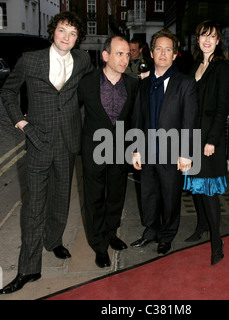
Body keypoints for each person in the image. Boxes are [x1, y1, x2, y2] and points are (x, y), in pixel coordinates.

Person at [0, 11, 94, 294]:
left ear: (78, 39)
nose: (67, 37)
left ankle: (53, 241)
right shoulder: (31, 59)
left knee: (61, 199)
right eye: (63, 30)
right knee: (34, 208)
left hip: (68, 141)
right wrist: (22, 123)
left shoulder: (83, 60)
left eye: (73, 33)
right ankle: (28, 269)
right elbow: (8, 92)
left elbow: (93, 88)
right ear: (54, 31)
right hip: (38, 141)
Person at [130, 29, 198, 255]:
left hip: (173, 152)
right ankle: (151, 231)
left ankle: (167, 236)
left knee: (170, 197)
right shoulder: (145, 83)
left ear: (175, 54)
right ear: (150, 52)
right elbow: (138, 118)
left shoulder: (186, 83)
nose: (162, 53)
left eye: (168, 49)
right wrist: (136, 150)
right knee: (148, 195)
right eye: (158, 48)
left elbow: (190, 120)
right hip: (148, 150)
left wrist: (186, 153)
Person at [77, 36, 138, 268]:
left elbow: (134, 120)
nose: (125, 59)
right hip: (94, 150)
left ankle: (111, 233)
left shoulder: (132, 85)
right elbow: (72, 111)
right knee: (94, 199)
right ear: (105, 56)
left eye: (127, 54)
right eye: (119, 54)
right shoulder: (87, 83)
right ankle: (99, 245)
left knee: (116, 195)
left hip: (120, 151)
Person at [183, 21, 229, 265]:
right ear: (198, 38)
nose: (207, 40)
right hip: (192, 137)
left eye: (212, 36)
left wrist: (212, 140)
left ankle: (217, 241)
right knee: (195, 185)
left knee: (209, 190)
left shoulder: (222, 68)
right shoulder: (195, 65)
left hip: (209, 139)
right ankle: (202, 225)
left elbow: (223, 108)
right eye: (203, 35)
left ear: (218, 41)